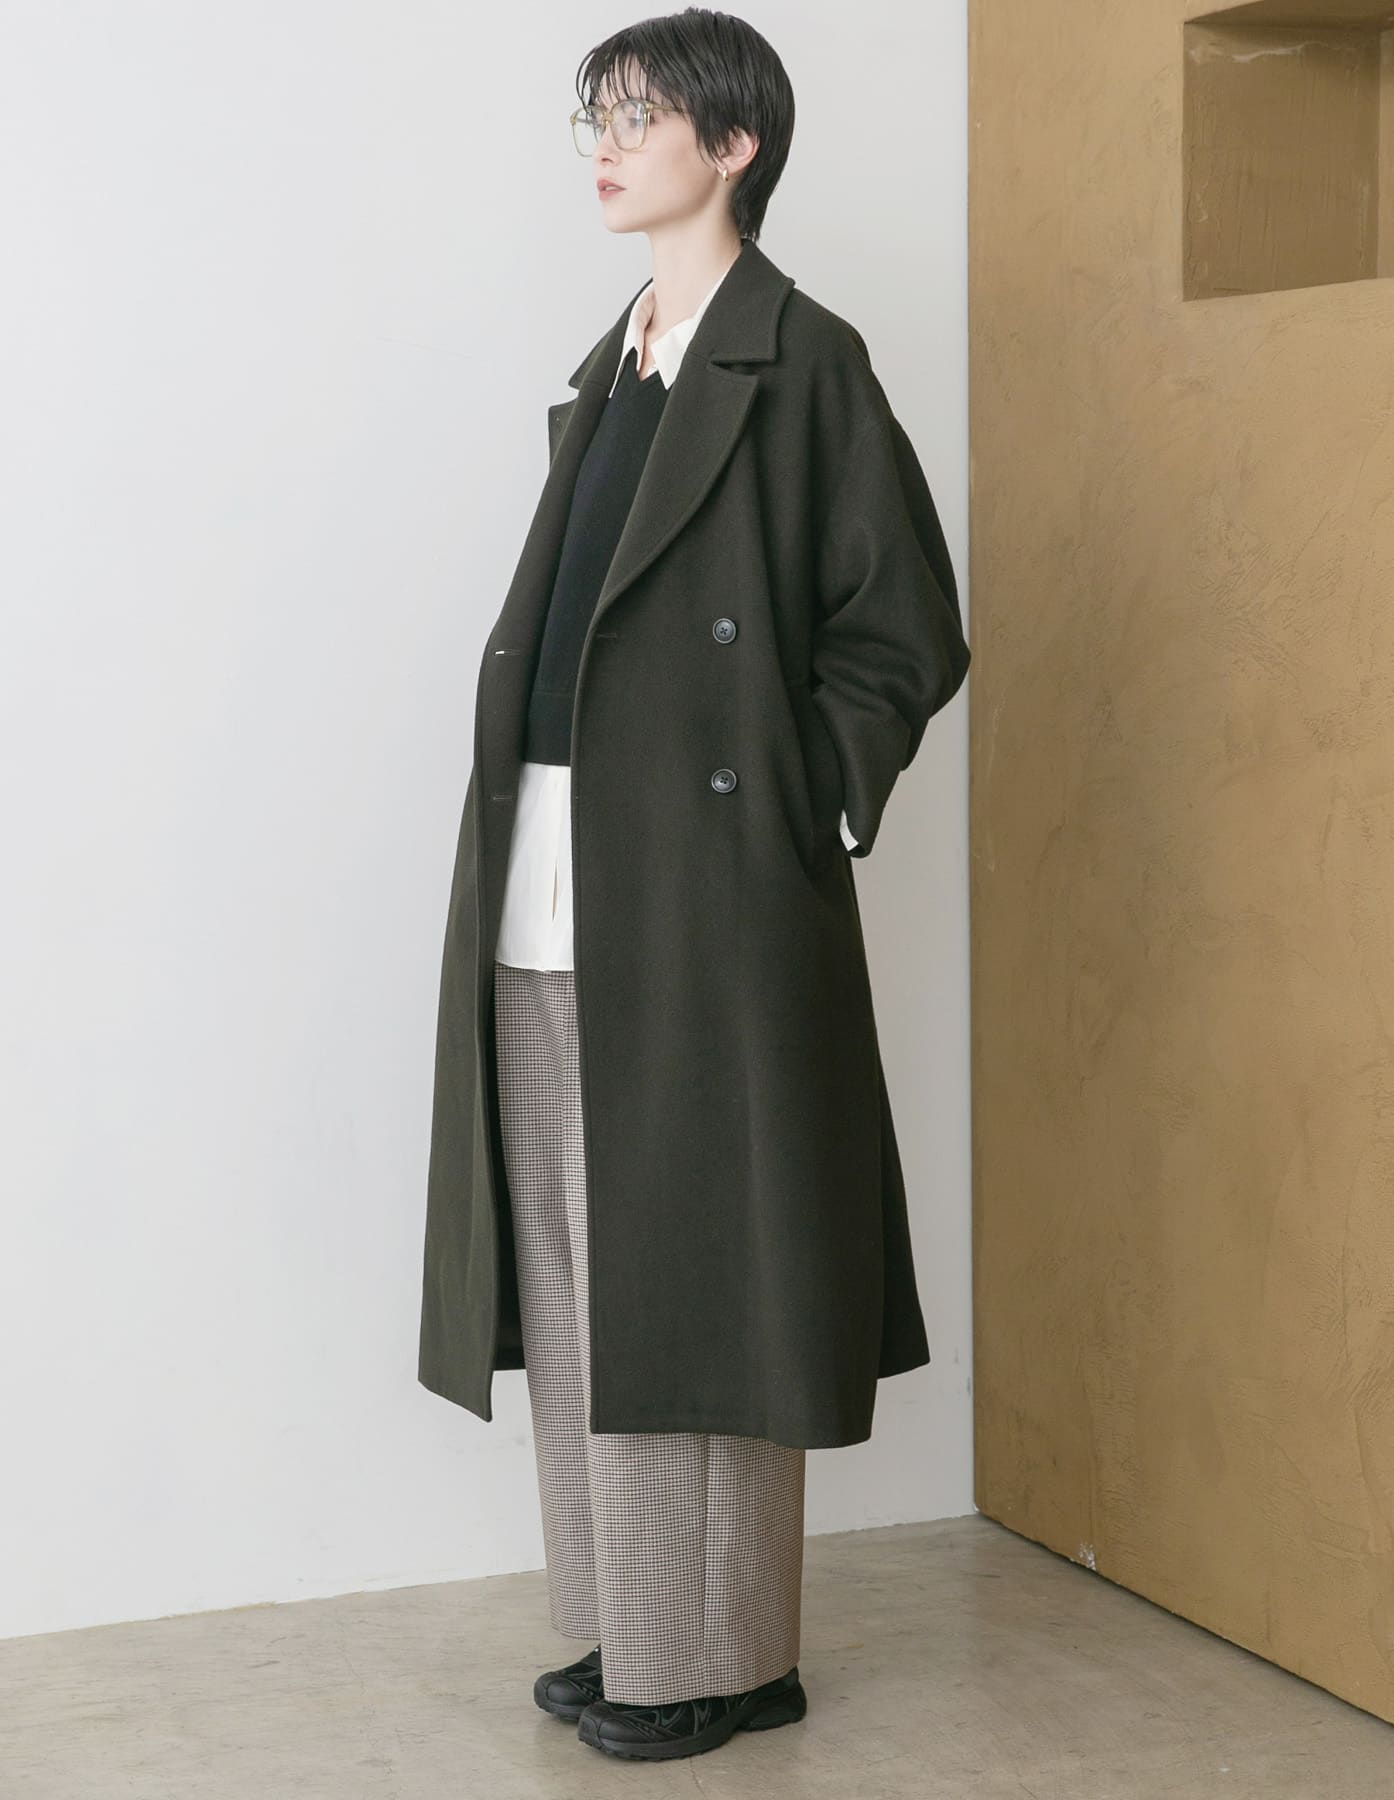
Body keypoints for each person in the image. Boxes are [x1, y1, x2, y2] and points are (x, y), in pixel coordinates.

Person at [417, 5, 971, 1764]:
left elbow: (906, 627)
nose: (607, 143)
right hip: (552, 875)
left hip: (702, 889)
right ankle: (630, 1626)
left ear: (733, 145)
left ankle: (713, 1658)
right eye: (599, 113)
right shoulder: (617, 367)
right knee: (579, 1269)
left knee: (692, 1275)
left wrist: (800, 803)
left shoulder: (801, 361)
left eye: (641, 114)